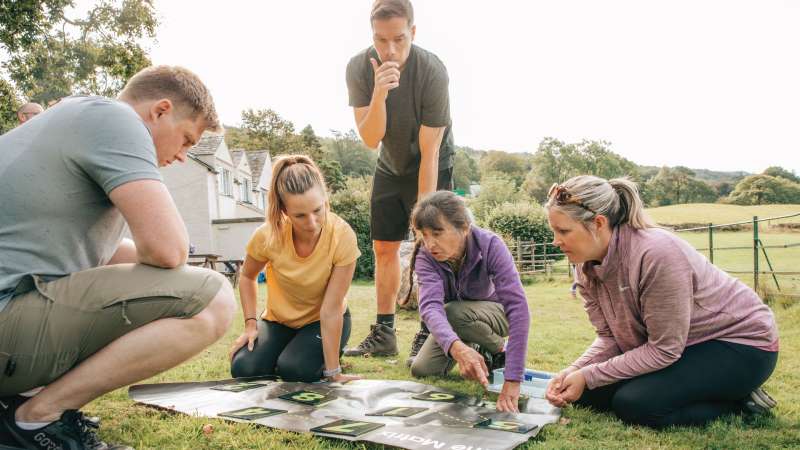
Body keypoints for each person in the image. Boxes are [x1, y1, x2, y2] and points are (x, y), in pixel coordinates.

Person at [0, 65, 236, 449]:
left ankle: (20, 400)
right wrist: (175, 272)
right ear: (160, 111)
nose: (182, 156)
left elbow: (112, 255)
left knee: (188, 285)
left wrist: (167, 273)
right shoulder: (118, 121)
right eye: (187, 140)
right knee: (214, 299)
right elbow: (168, 249)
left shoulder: (74, 115)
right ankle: (33, 419)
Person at [544, 175, 779, 428]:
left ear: (598, 223)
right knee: (585, 394)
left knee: (635, 405)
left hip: (739, 345)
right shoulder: (583, 268)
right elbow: (608, 337)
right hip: (682, 346)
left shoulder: (657, 253)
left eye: (564, 231)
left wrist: (588, 375)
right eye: (554, 231)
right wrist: (574, 371)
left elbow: (665, 348)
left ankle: (739, 400)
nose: (556, 241)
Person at [343, 0, 455, 364]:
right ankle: (385, 333)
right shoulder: (359, 67)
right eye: (381, 40)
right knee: (383, 248)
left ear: (413, 33)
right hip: (390, 165)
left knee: (434, 245)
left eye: (399, 39)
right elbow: (371, 138)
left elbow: (430, 150)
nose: (390, 50)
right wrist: (379, 93)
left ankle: (428, 328)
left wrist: (426, 220)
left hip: (431, 161)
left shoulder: (432, 71)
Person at [230, 155, 361, 383]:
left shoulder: (343, 236)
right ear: (283, 210)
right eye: (300, 215)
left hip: (321, 321)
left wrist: (334, 372)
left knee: (295, 371)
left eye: (318, 210)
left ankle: (311, 357)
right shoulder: (267, 235)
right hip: (279, 322)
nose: (312, 223)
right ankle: (287, 354)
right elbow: (247, 276)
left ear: (325, 199)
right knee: (244, 369)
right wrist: (251, 325)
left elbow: (330, 310)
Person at [408, 191, 530, 413]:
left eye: (437, 233)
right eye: (424, 235)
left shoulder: (491, 245)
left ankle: (500, 350)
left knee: (453, 311)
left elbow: (518, 307)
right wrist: (458, 349)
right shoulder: (426, 256)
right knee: (422, 369)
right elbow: (430, 307)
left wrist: (513, 379)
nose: (430, 243)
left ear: (463, 227)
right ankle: (475, 349)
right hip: (457, 319)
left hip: (496, 315)